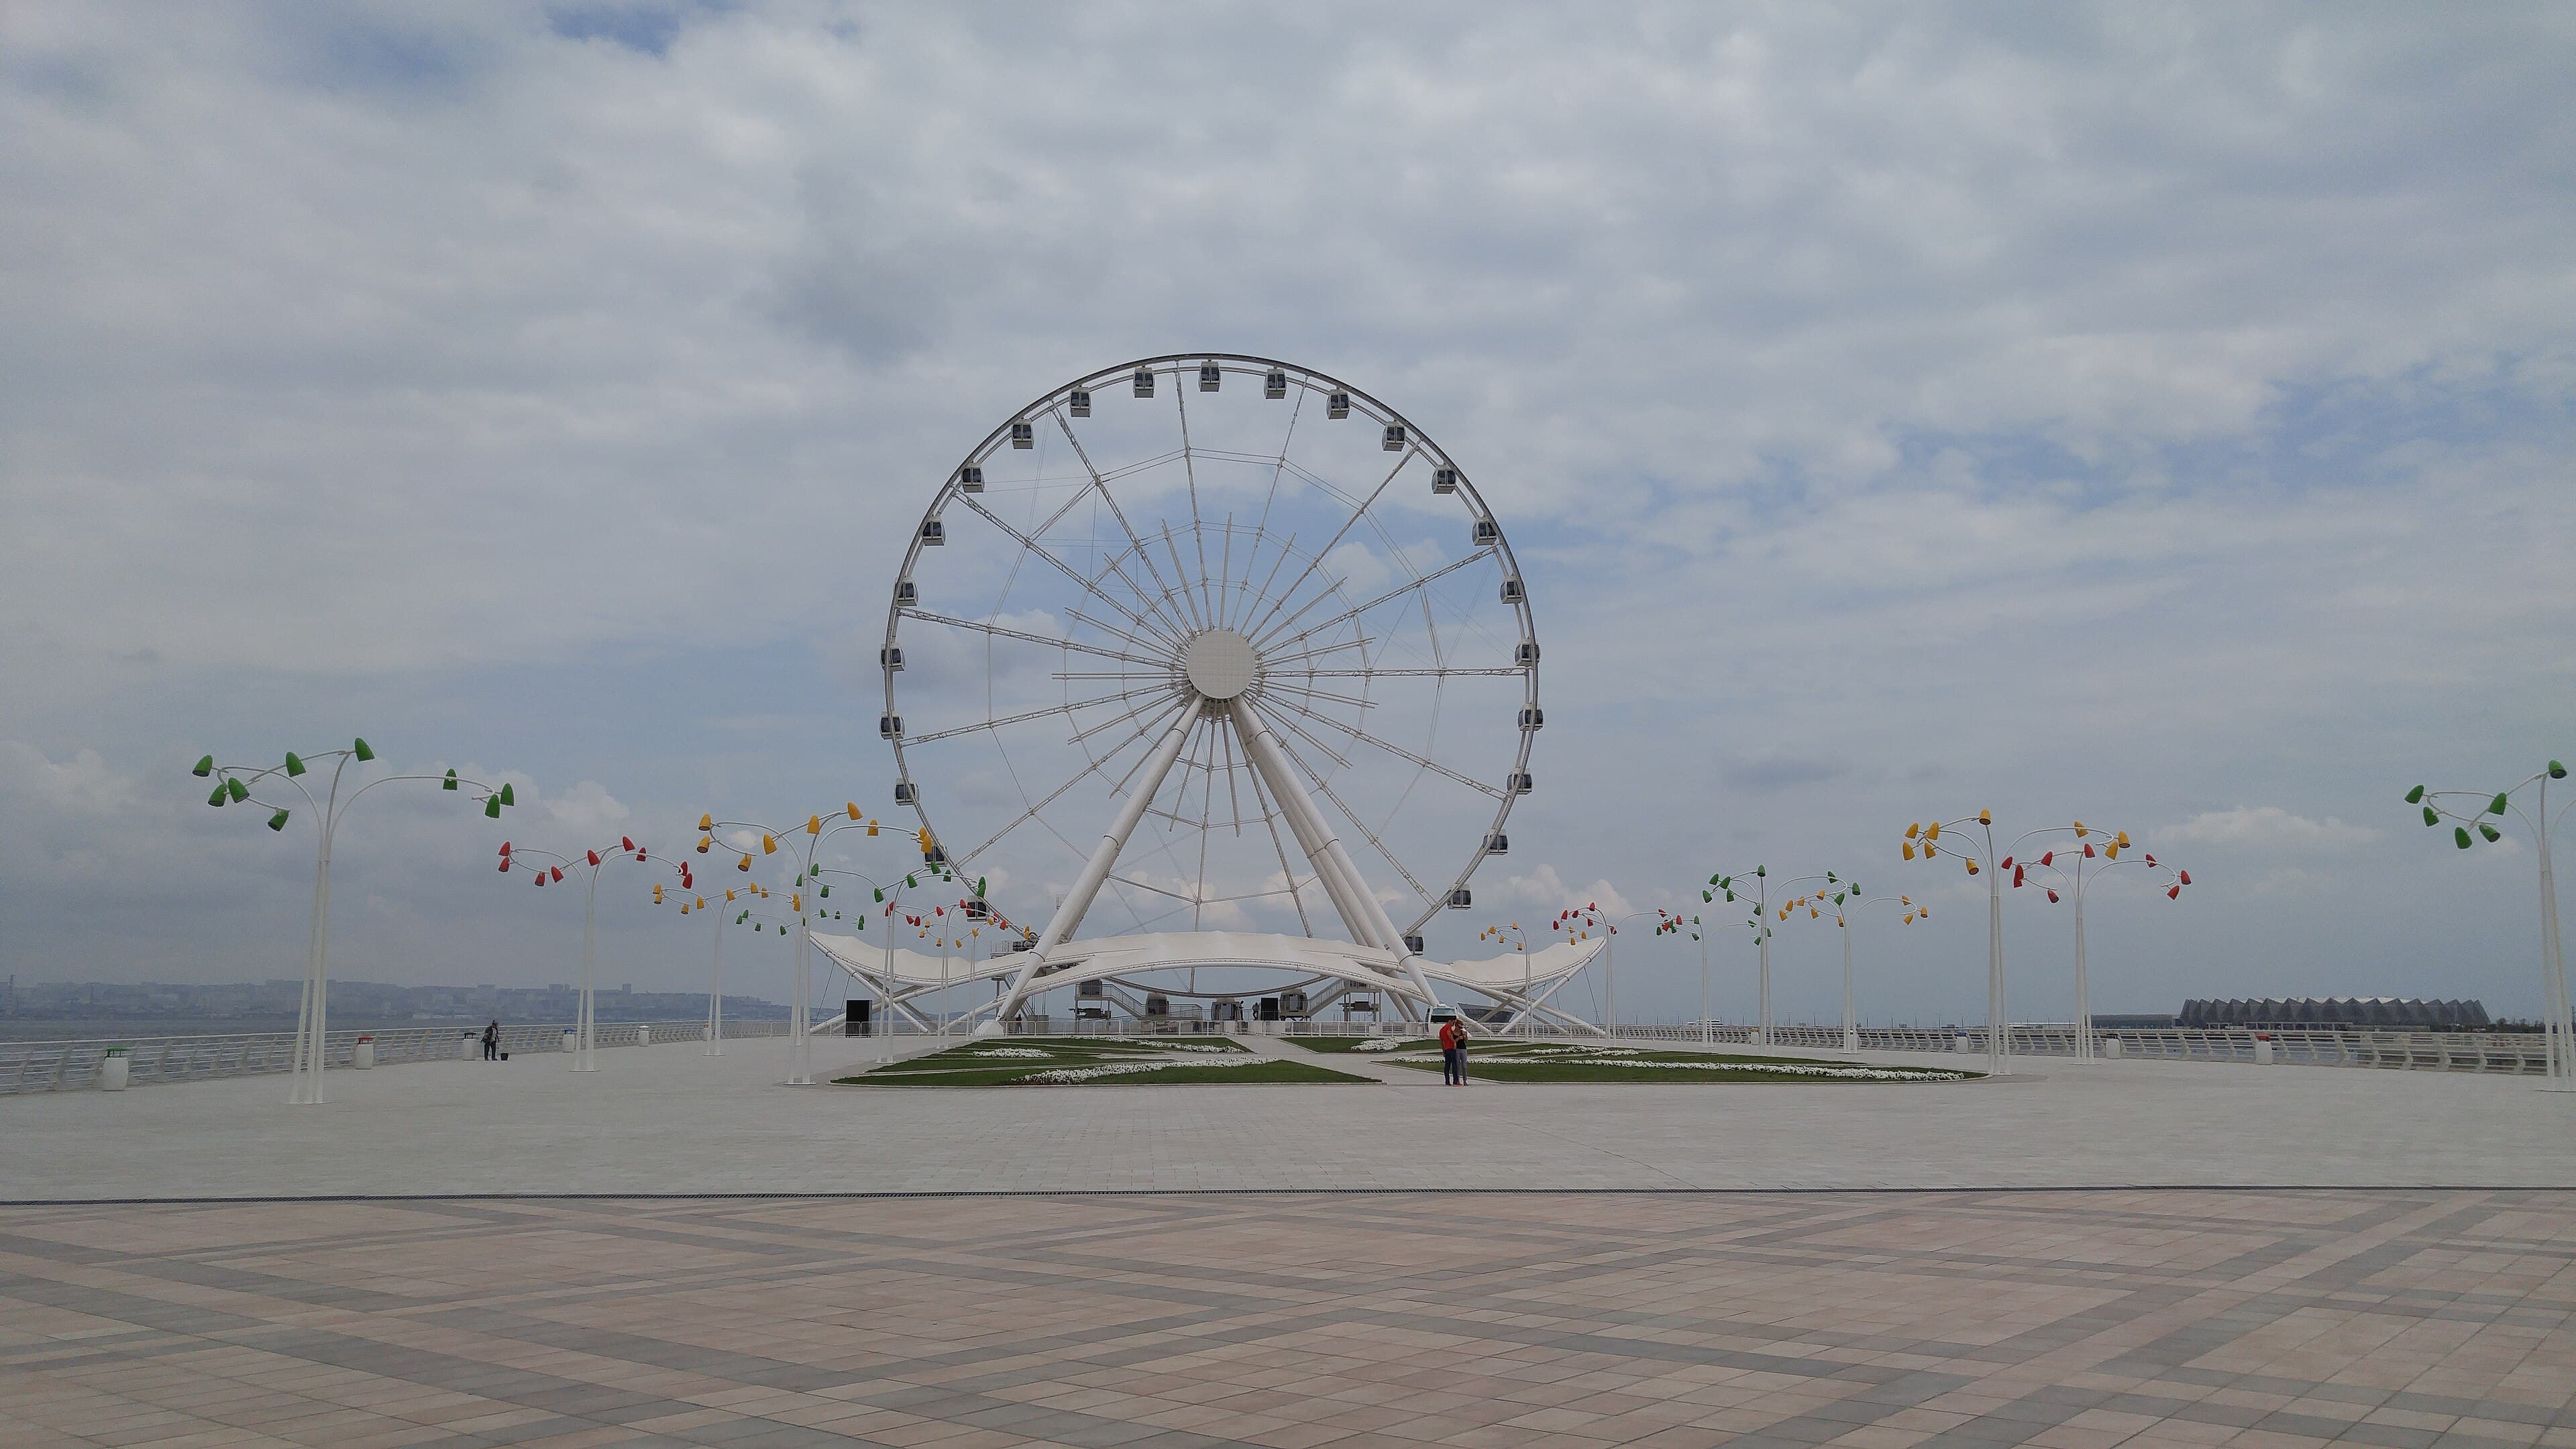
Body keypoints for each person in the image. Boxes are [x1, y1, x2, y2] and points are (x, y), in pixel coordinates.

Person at [1440, 1018, 1465, 1085]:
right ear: (1449, 1021)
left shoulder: (1441, 1030)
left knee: (1447, 1066)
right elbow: (1448, 1033)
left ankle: (1447, 1081)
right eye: (1453, 1022)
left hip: (1446, 1049)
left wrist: (1443, 1050)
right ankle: (1455, 1081)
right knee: (1455, 1065)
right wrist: (1454, 1042)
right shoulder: (1449, 1028)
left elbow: (1441, 1041)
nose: (1453, 1023)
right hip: (1451, 1048)